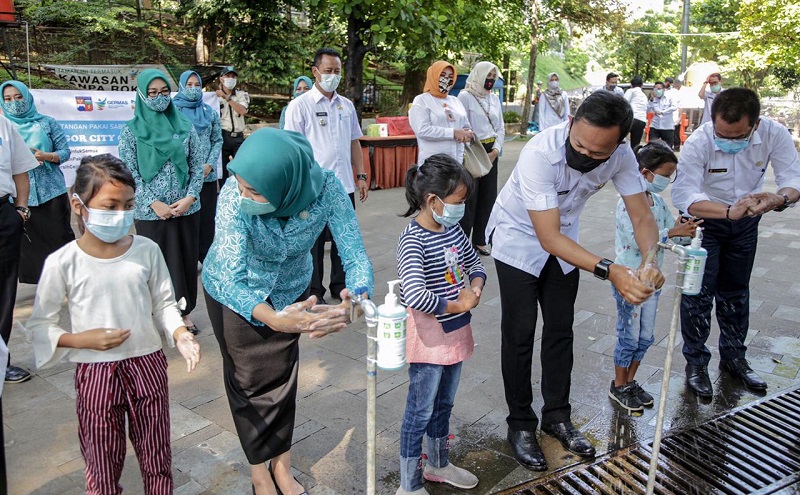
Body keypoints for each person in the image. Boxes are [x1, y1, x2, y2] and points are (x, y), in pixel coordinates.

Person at [486, 91, 663, 470]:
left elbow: (643, 216)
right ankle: (520, 424)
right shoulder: (540, 154)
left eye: (598, 154)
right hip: (518, 238)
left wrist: (649, 260)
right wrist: (612, 270)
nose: (584, 156)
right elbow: (546, 237)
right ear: (570, 124)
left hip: (566, 239)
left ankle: (557, 417)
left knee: (561, 331)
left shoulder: (622, 157)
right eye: (579, 145)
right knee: (519, 335)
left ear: (619, 144)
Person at [202, 128, 373, 495]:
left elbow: (354, 251)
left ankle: (282, 466)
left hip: (291, 291)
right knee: (247, 382)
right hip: (236, 292)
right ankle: (258, 472)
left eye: (255, 191)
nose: (245, 196)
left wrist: (355, 299)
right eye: (242, 187)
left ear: (287, 182)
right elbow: (231, 278)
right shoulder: (235, 193)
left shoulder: (325, 187)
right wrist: (273, 318)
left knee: (281, 380)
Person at [26, 154, 200, 495]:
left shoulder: (146, 250)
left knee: (156, 451)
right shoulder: (64, 261)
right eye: (110, 205)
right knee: (101, 454)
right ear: (80, 205)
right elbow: (39, 325)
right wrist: (79, 340)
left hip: (147, 362)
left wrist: (180, 333)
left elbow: (163, 301)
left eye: (129, 205)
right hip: (95, 371)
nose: (121, 215)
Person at [671, 88, 800, 398]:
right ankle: (697, 364)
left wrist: (778, 198)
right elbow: (683, 195)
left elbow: (793, 179)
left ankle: (734, 359)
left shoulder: (774, 133)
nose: (727, 142)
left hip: (745, 223)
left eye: (737, 136)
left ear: (755, 125)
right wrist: (727, 211)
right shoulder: (700, 142)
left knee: (736, 291)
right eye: (721, 134)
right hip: (702, 223)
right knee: (698, 295)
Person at [395, 154, 485, 495]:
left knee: (444, 404)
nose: (461, 208)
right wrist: (454, 303)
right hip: (429, 338)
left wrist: (474, 288)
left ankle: (438, 464)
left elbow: (475, 263)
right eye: (457, 202)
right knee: (420, 410)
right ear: (433, 200)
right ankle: (410, 483)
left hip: (456, 330)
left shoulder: (453, 230)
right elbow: (414, 293)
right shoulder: (412, 239)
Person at [610, 142, 702, 412]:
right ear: (646, 172)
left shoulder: (659, 203)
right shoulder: (626, 203)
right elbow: (638, 239)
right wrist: (672, 233)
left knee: (645, 336)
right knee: (628, 336)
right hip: (630, 280)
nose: (667, 181)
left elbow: (669, 237)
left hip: (653, 282)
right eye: (665, 174)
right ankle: (619, 385)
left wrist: (686, 233)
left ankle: (630, 381)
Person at [119, 69, 204, 334]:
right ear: (142, 95)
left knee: (185, 261)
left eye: (164, 92)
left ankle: (184, 312)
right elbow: (129, 172)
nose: (159, 98)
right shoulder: (130, 132)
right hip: (150, 212)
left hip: (185, 209)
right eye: (152, 93)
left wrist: (190, 197)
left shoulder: (185, 126)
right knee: (154, 264)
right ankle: (158, 313)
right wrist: (153, 202)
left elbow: (197, 165)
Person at [285, 47, 369, 304]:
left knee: (345, 239)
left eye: (337, 71)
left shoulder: (347, 106)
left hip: (344, 186)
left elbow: (355, 142)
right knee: (313, 243)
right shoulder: (299, 106)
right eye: (328, 71)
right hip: (313, 188)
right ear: (315, 72)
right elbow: (292, 149)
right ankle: (313, 291)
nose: (333, 76)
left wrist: (362, 174)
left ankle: (340, 285)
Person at [1, 81, 73, 290]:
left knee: (59, 237)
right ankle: (41, 286)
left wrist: (46, 156)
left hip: (51, 191)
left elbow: (65, 152)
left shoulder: (47, 123)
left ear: (27, 97)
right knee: (29, 243)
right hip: (22, 196)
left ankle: (68, 280)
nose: (14, 102)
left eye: (18, 97)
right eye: (8, 99)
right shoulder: (4, 126)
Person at [0, 114, 37, 386]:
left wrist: (21, 209)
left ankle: (1, 362)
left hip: (3, 213)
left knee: (3, 291)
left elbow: (19, 168)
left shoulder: (2, 123)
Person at [173, 70, 223, 263]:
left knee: (206, 220)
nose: (193, 89)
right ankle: (188, 259)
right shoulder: (173, 113)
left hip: (207, 177)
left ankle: (207, 259)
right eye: (189, 85)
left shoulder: (209, 112)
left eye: (196, 85)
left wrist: (209, 165)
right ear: (181, 86)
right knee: (186, 220)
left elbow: (217, 139)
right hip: (184, 178)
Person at [457, 61, 505, 256]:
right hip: (473, 149)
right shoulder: (465, 97)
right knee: (470, 197)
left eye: (494, 77)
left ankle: (480, 240)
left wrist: (495, 150)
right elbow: (462, 125)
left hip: (491, 150)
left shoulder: (493, 99)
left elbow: (500, 127)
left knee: (488, 197)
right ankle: (462, 244)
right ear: (479, 76)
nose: (491, 81)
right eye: (488, 76)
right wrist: (473, 147)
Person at [409, 60, 474, 166]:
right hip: (434, 164)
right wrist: (452, 133)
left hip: (457, 161)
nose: (446, 79)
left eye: (450, 76)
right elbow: (422, 130)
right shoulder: (422, 100)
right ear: (433, 76)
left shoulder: (455, 101)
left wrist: (467, 133)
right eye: (442, 75)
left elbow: (465, 125)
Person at [216, 66, 249, 185]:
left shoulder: (242, 94)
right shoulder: (215, 97)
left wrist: (227, 98)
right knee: (222, 173)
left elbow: (242, 111)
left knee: (242, 170)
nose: (230, 79)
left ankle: (241, 194)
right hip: (223, 136)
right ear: (221, 79)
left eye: (233, 76)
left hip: (238, 137)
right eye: (227, 76)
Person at [647, 81, 678, 148]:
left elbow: (674, 107)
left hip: (667, 126)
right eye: (655, 89)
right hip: (655, 126)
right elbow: (648, 110)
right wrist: (651, 100)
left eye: (659, 89)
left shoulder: (669, 97)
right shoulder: (653, 99)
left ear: (664, 89)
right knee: (652, 146)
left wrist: (663, 112)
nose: (657, 91)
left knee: (667, 148)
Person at [623, 76, 648, 149]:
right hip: (642, 120)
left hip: (632, 118)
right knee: (635, 145)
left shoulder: (631, 91)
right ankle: (634, 158)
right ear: (641, 85)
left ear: (631, 84)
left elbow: (624, 103)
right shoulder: (644, 96)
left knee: (621, 140)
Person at [666, 78, 684, 151]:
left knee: (668, 133)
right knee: (676, 133)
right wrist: (680, 118)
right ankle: (676, 146)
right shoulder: (679, 94)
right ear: (678, 85)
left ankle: (668, 146)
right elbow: (681, 107)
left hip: (667, 116)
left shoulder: (667, 92)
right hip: (675, 116)